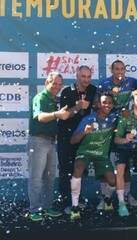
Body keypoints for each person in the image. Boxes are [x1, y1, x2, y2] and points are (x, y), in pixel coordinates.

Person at [28, 72, 70, 221]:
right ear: (47, 82)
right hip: (38, 141)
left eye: (60, 84)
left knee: (49, 177)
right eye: (54, 84)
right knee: (36, 177)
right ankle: (34, 209)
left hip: (51, 142)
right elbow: (40, 117)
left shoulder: (54, 99)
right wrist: (56, 114)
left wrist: (76, 107)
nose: (57, 87)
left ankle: (46, 207)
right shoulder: (40, 97)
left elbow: (63, 114)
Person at [69, 92, 117, 220]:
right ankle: (74, 206)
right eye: (104, 102)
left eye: (110, 103)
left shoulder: (114, 119)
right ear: (98, 104)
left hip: (101, 156)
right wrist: (84, 132)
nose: (107, 105)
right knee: (78, 167)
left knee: (113, 181)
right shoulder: (88, 119)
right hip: (85, 153)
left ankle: (107, 199)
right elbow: (73, 140)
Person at [57, 65, 97, 210]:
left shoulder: (93, 90)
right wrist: (78, 107)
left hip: (82, 138)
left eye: (88, 77)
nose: (86, 80)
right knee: (66, 170)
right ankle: (66, 203)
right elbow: (65, 115)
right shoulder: (67, 92)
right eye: (83, 76)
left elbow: (98, 108)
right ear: (77, 76)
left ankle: (76, 201)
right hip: (66, 138)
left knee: (80, 170)